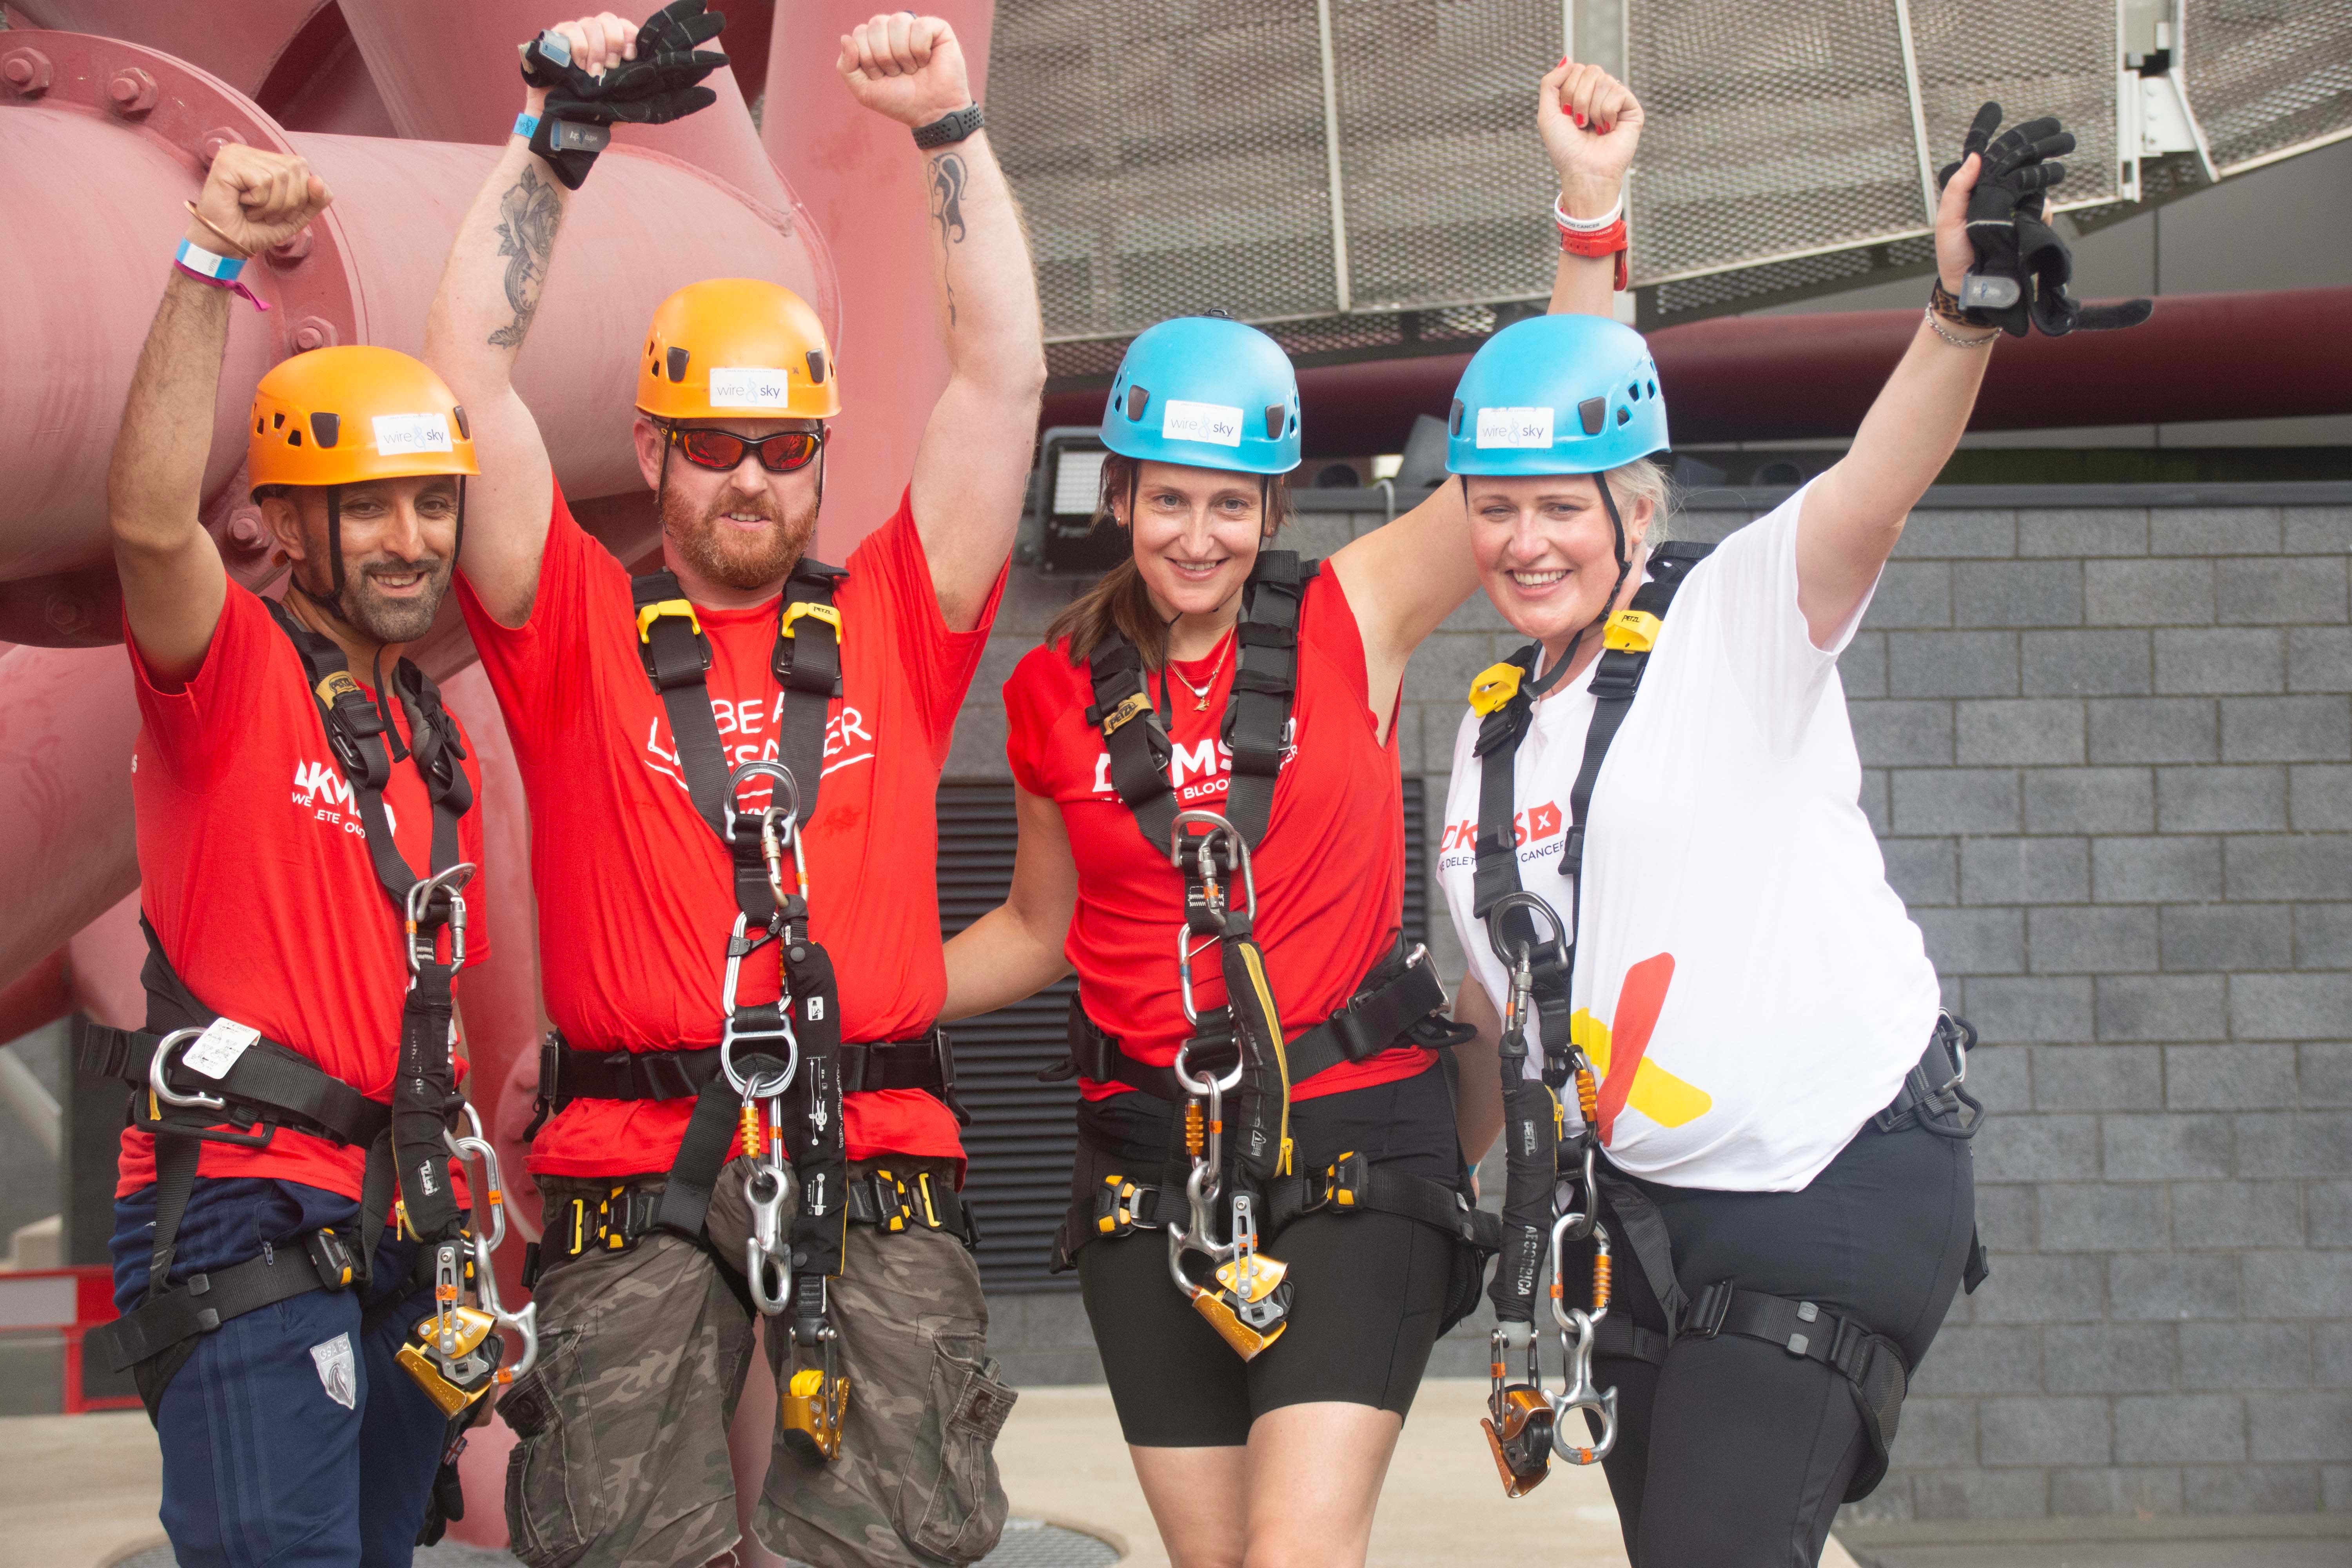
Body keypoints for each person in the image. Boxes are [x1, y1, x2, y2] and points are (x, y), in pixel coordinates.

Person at [940, 57, 1640, 1568]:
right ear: (1118, 497)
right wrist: (844, 986)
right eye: (1169, 497)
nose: (1199, 534)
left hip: (1355, 1153)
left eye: (1233, 500)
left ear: (1274, 507)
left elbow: (1541, 439)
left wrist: (1589, 216)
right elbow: (1036, 928)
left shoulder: (1354, 614)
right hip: (1147, 1168)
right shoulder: (1055, 692)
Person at [420, 7, 1044, 1566]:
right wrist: (556, 140)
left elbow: (1001, 380)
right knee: (626, 1545)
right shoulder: (573, 628)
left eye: (783, 442)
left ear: (823, 452)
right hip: (636, 1167)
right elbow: (466, 389)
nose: (751, 473)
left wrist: (948, 133)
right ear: (653, 447)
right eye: (711, 442)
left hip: (879, 1154)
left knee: (890, 1543)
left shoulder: (899, 619)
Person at [1434, 106, 2097, 1566]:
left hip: (1832, 1172)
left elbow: (1873, 492)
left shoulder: (1731, 618)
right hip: (1647, 1225)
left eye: (1564, 506)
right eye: (1496, 512)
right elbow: (1501, 1013)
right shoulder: (1487, 741)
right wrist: (1427, 1199)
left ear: (1637, 503)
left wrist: (1960, 314)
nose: (1528, 542)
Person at [84, 143, 501, 1568]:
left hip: (394, 1225)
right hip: (248, 1203)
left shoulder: (436, 749)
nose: (408, 539)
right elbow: (145, 521)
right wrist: (210, 256)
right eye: (368, 506)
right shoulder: (236, 670)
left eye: (431, 503)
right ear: (282, 521)